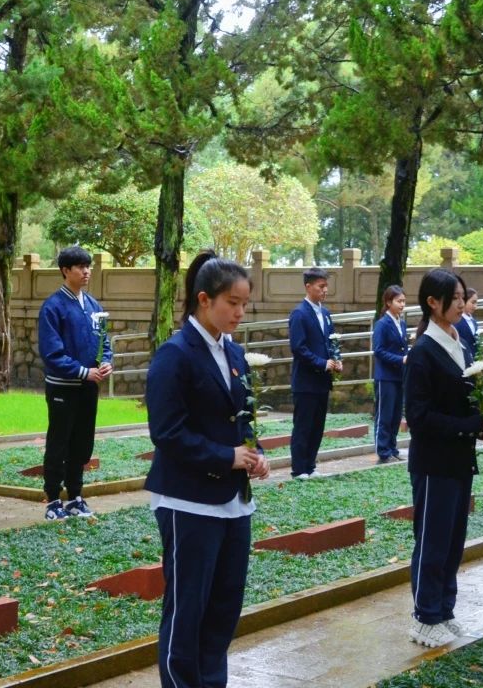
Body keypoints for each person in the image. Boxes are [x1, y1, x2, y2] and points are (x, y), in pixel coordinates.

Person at [144, 251, 269, 688]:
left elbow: (242, 415)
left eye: (244, 304)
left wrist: (254, 452)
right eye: (232, 302)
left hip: (233, 503)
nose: (239, 312)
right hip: (188, 501)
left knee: (223, 607)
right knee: (187, 609)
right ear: (203, 299)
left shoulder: (231, 352)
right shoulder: (175, 355)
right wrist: (225, 456)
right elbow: (167, 432)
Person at [404, 269, 483, 648]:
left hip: (460, 459)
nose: (461, 303)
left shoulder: (461, 343)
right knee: (432, 538)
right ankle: (424, 616)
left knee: (454, 538)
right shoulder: (423, 353)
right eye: (455, 298)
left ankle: (444, 608)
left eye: (462, 297)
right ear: (432, 303)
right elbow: (420, 418)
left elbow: (463, 402)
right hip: (434, 461)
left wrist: (481, 426)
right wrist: (465, 424)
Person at [37, 246, 112, 519]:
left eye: (88, 266)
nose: (86, 271)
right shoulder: (52, 307)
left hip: (88, 388)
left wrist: (106, 362)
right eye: (80, 267)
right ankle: (53, 501)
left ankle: (76, 497)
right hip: (63, 388)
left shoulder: (94, 307)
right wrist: (82, 372)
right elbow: (51, 353)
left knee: (82, 443)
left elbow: (105, 342)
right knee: (59, 442)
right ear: (65, 271)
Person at [288, 267, 340, 478]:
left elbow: (331, 341)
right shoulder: (299, 314)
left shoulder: (325, 313)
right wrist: (322, 363)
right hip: (305, 382)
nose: (325, 290)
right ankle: (299, 469)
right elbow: (298, 348)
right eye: (321, 286)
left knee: (318, 426)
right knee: (303, 426)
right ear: (308, 286)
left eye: (326, 286)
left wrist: (337, 361)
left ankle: (310, 465)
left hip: (322, 381)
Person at [372, 285, 408, 464]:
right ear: (388, 302)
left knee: (395, 414)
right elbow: (378, 351)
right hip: (385, 376)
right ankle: (382, 450)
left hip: (399, 376)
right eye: (398, 301)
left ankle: (392, 447)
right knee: (384, 414)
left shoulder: (401, 322)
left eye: (403, 301)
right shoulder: (382, 324)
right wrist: (400, 360)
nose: (402, 304)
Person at [454, 286, 480, 362]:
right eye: (473, 302)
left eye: (476, 303)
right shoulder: (457, 321)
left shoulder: (473, 321)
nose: (475, 306)